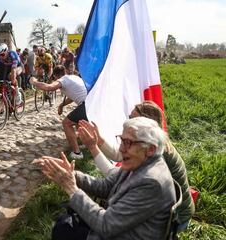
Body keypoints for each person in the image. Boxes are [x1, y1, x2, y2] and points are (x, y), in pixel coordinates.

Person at [34, 117, 176, 240]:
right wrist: (72, 175)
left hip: (120, 233)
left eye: (128, 143)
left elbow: (106, 225)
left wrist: (71, 188)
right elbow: (107, 186)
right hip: (119, 228)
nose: (121, 149)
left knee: (63, 229)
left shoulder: (151, 182)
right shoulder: (140, 164)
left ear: (150, 149)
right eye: (121, 140)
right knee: (68, 215)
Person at [78, 101, 195, 231]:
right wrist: (99, 141)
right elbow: (118, 155)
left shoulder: (157, 155)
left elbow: (114, 177)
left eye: (133, 118)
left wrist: (92, 147)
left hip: (176, 220)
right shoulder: (152, 143)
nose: (129, 121)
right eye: (130, 117)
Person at [29, 65, 87, 159]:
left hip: (86, 105)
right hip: (91, 103)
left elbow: (48, 87)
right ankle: (85, 143)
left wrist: (34, 82)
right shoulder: (73, 77)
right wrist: (61, 105)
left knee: (66, 123)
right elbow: (73, 97)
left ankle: (77, 153)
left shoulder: (63, 80)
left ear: (56, 76)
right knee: (78, 121)